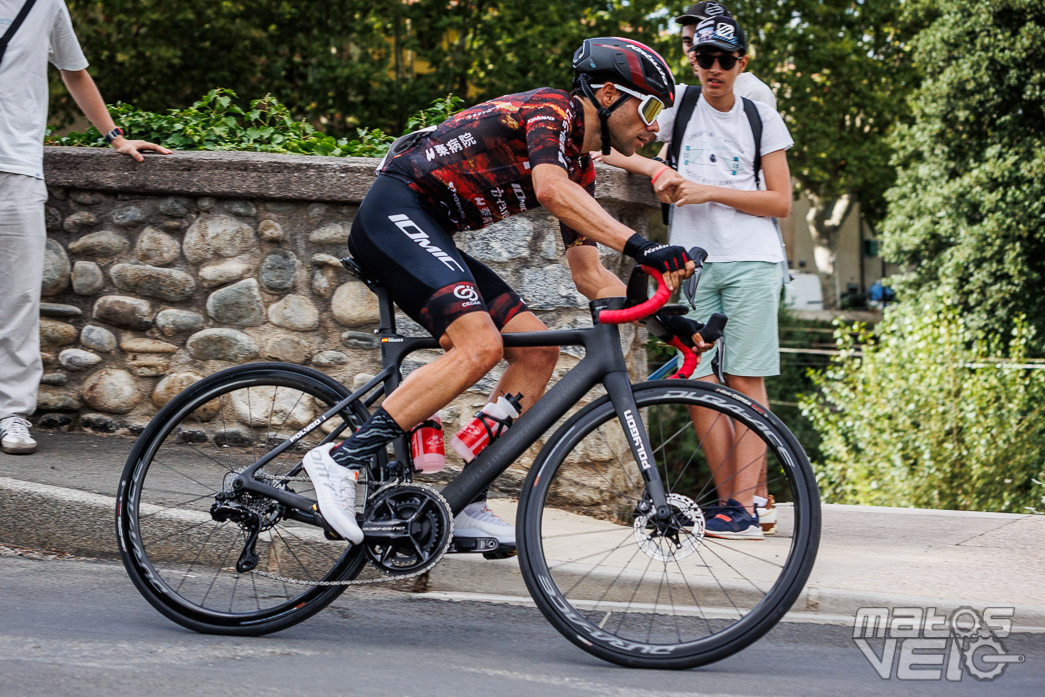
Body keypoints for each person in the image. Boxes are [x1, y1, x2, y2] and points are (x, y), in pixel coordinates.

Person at [302, 37, 712, 550]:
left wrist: (665, 322)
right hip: (394, 211)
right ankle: (340, 459)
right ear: (608, 94)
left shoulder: (579, 168)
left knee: (538, 351)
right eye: (650, 107)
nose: (655, 127)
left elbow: (590, 277)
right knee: (480, 345)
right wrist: (645, 247)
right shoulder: (552, 109)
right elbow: (548, 189)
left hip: (429, 227)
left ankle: (468, 499)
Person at [599, 14, 793, 540]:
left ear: (741, 64)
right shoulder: (677, 104)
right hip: (693, 262)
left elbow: (780, 201)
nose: (713, 68)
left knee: (746, 379)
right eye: (704, 58)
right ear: (693, 59)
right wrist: (656, 170)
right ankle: (731, 500)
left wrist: (708, 190)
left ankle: (746, 506)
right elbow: (608, 142)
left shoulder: (761, 116)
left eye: (724, 60)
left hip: (752, 260)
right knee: (697, 378)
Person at [0, 0, 171, 455]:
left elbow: (73, 70)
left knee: (18, 298)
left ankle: (12, 413)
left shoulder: (44, 3)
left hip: (16, 169)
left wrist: (116, 137)